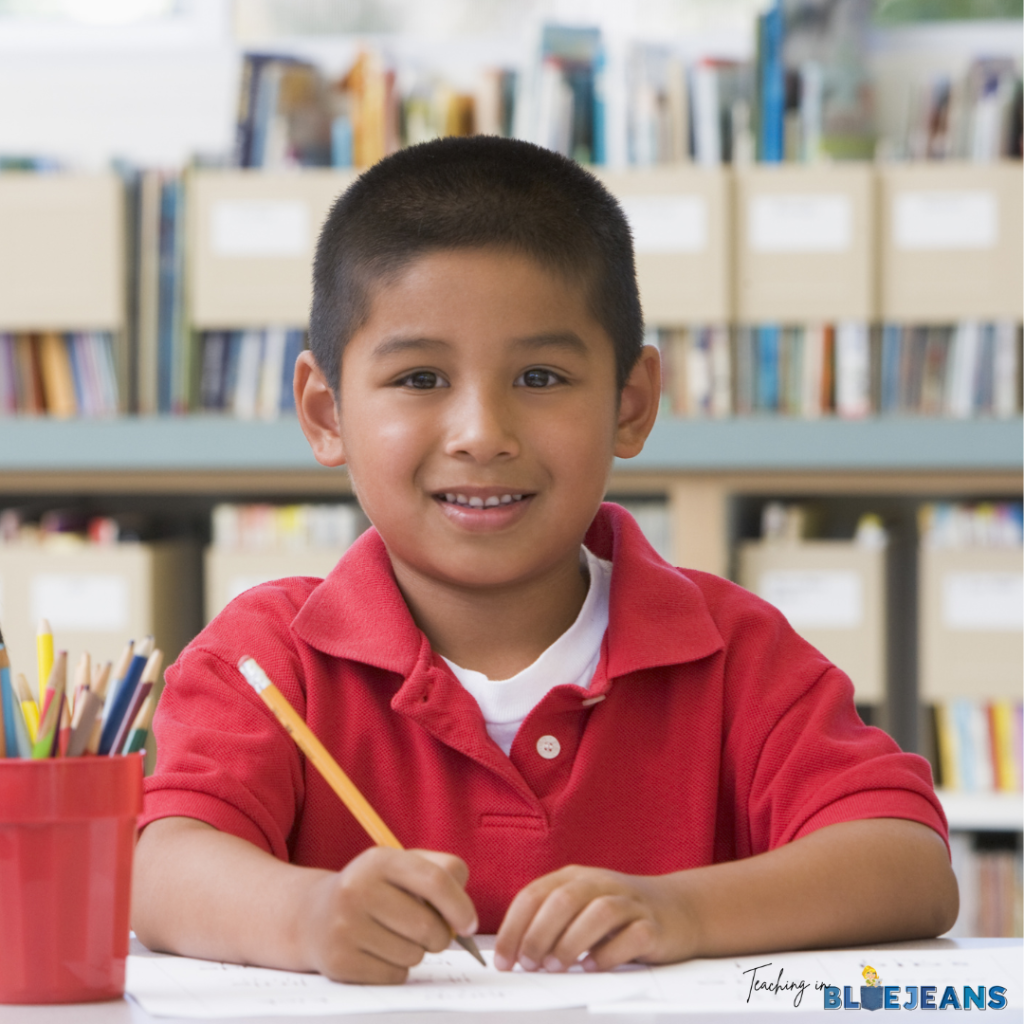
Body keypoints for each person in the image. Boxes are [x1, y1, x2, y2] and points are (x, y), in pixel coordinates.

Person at [132, 137, 957, 985]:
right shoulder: (269, 655)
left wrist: (683, 911)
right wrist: (308, 917)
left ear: (630, 405)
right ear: (324, 412)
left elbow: (909, 865)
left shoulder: (732, 649)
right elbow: (160, 871)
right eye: (419, 379)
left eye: (541, 376)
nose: (483, 434)